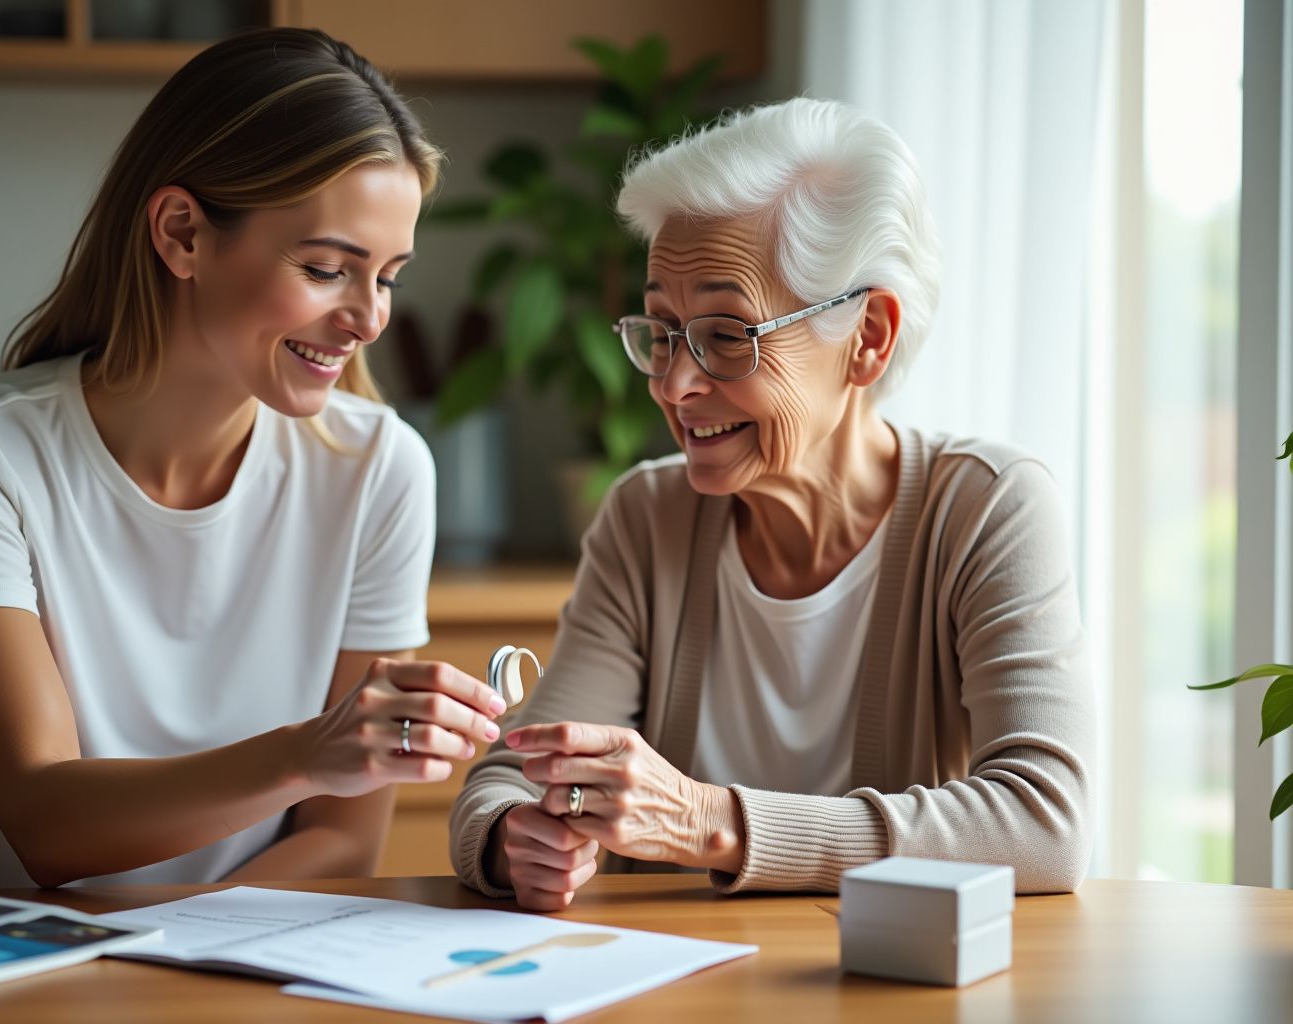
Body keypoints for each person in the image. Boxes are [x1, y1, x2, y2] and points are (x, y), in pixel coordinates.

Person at [0, 28, 506, 890]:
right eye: (328, 268)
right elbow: (44, 821)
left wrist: (175, 964)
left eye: (388, 276)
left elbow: (341, 843)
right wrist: (307, 754)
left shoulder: (381, 469)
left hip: (226, 960)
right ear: (181, 234)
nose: (368, 318)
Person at [450, 97, 1093, 910]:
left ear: (867, 338)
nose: (676, 385)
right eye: (662, 329)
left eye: (727, 335)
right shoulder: (646, 518)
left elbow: (1044, 822)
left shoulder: (987, 511)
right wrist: (516, 838)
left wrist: (713, 826)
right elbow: (509, 774)